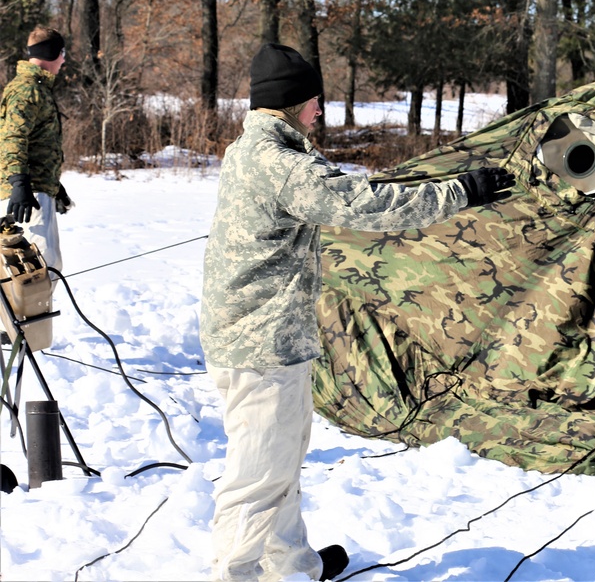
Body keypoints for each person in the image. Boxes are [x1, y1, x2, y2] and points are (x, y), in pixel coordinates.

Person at [200, 42, 514, 582]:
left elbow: (342, 186)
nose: (320, 110)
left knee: (280, 461)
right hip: (260, 345)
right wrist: (459, 190)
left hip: (267, 338)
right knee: (257, 476)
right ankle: (236, 574)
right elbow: (364, 205)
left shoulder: (257, 150)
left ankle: (292, 565)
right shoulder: (278, 165)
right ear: (291, 102)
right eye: (313, 100)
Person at [0, 26, 73, 274]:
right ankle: (22, 314)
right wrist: (20, 183)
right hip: (27, 194)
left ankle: (32, 313)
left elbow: (37, 143)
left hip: (39, 187)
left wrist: (54, 184)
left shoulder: (37, 88)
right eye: (62, 52)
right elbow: (12, 138)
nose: (64, 59)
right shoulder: (27, 89)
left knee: (46, 266)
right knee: (40, 267)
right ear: (52, 53)